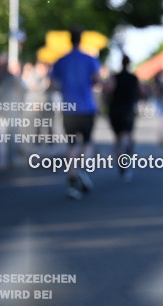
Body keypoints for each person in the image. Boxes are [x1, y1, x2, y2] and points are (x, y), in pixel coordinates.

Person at [50, 26, 101, 199]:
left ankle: (71, 179)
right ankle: (81, 170)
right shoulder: (90, 59)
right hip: (87, 106)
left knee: (71, 145)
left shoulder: (61, 60)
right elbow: (97, 80)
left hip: (68, 108)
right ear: (81, 39)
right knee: (86, 143)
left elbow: (53, 83)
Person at [107, 55, 141, 180]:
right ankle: (124, 158)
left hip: (115, 110)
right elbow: (141, 92)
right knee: (127, 136)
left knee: (118, 137)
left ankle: (120, 155)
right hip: (127, 110)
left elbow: (108, 90)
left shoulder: (115, 77)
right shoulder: (133, 78)